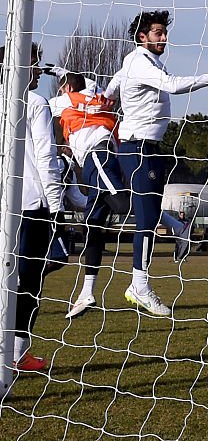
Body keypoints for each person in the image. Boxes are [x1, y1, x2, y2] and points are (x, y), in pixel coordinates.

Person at [103, 10, 208, 317]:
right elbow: (174, 86)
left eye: (164, 33)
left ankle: (175, 231)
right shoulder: (141, 62)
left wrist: (108, 96)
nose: (163, 38)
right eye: (157, 33)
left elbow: (114, 84)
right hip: (138, 149)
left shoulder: (136, 62)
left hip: (144, 148)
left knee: (145, 213)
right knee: (145, 219)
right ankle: (139, 284)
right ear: (142, 37)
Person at [46, 68, 134, 319]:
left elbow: (39, 105)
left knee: (122, 205)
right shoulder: (93, 91)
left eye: (63, 87)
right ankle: (87, 292)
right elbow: (80, 78)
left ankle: (175, 225)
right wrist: (56, 71)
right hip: (99, 159)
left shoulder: (66, 100)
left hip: (97, 155)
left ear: (67, 89)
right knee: (92, 226)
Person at [1, 44, 65, 372]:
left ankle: (12, 350)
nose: (39, 71)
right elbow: (46, 158)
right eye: (33, 65)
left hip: (6, 208)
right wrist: (57, 207)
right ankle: (16, 351)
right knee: (30, 279)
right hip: (32, 206)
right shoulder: (35, 103)